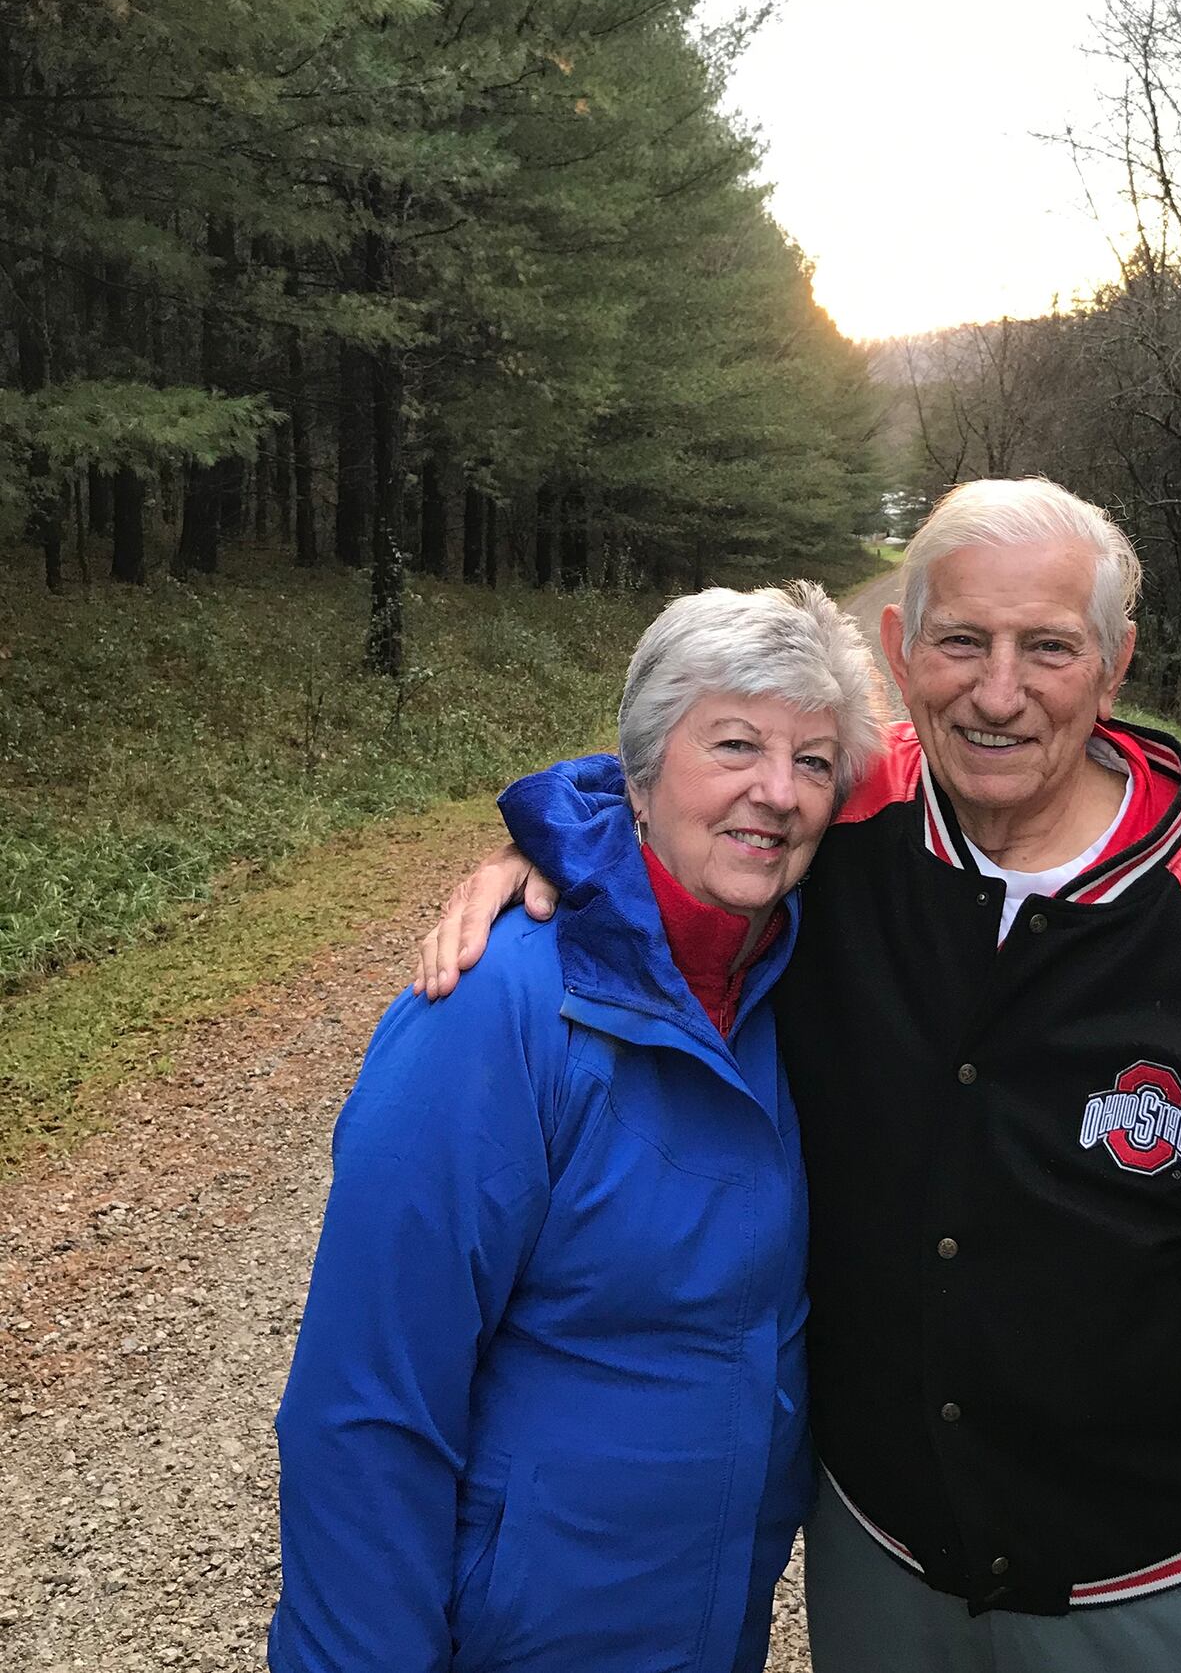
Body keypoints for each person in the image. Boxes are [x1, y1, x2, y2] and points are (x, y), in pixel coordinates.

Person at [419, 478, 1181, 1673]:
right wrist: (554, 844)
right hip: (885, 1569)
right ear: (899, 648)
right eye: (961, 641)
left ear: (1116, 664)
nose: (996, 692)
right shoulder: (838, 832)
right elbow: (687, 790)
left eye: (1049, 649)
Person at [269, 581, 887, 1673]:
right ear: (638, 777)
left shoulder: (797, 987)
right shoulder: (496, 1009)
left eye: (814, 762)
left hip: (704, 1627)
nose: (777, 792)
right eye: (734, 743)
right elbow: (365, 1410)